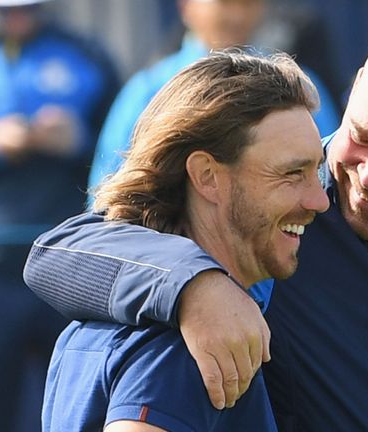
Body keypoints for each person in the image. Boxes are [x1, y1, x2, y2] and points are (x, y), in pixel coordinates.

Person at [25, 23, 368, 431]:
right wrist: (195, 286)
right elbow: (56, 252)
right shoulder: (272, 238)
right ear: (352, 96)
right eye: (361, 136)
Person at [39, 49, 328, 432]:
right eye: (292, 173)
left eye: (316, 171)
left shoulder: (100, 322)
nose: (320, 200)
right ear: (207, 176)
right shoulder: (197, 342)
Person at [0, 0, 118, 430]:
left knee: (79, 412)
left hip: (71, 273)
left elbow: (129, 159)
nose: (17, 17)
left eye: (29, 8)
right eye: (4, 10)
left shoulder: (89, 56)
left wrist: (79, 144)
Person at [87, 0, 339, 194]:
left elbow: (327, 173)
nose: (237, 15)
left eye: (248, 3)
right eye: (225, 2)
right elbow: (109, 192)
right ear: (186, 5)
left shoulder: (297, 86)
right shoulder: (149, 91)